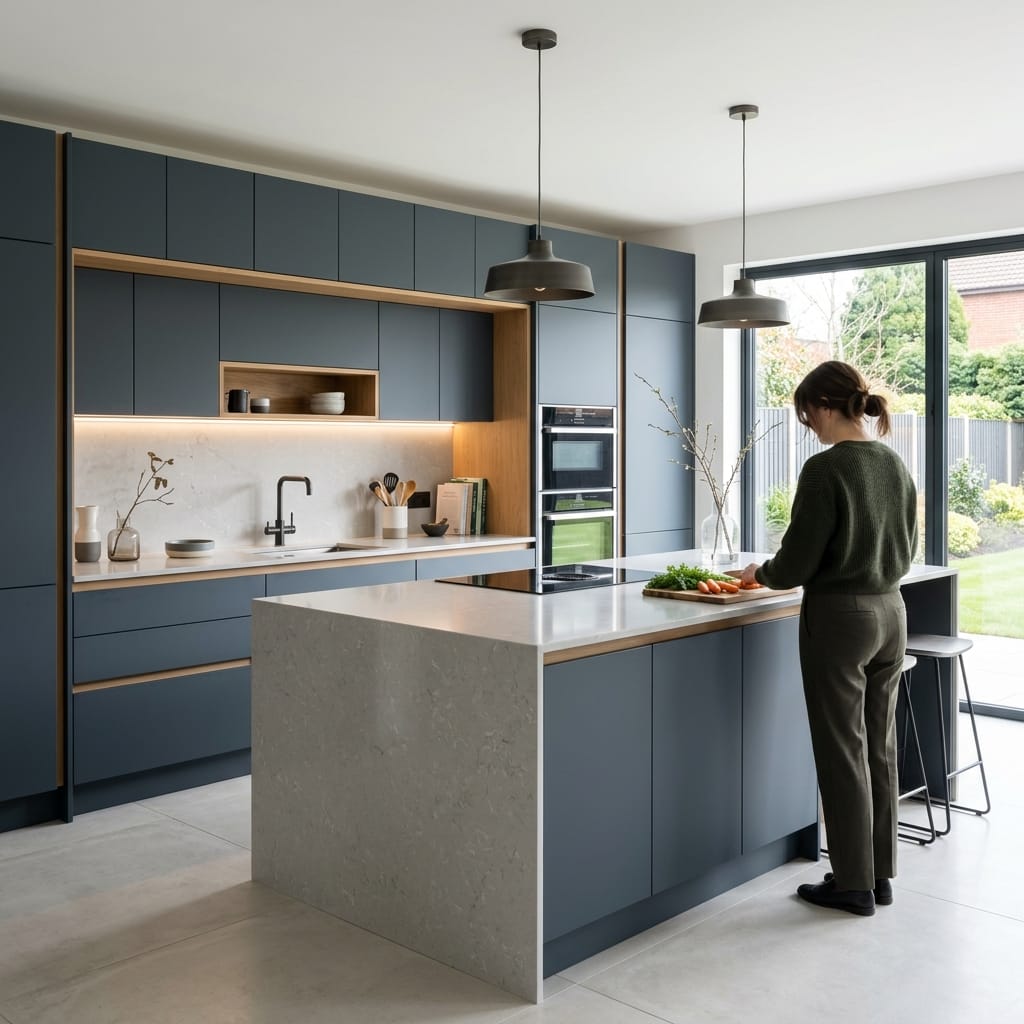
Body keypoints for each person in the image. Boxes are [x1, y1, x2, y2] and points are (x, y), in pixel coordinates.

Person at [740, 360, 918, 917]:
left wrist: (759, 573)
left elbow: (795, 562)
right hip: (891, 610)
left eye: (806, 414)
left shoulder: (825, 470)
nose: (808, 426)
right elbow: (908, 548)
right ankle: (878, 874)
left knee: (844, 751)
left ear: (821, 406)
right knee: (878, 747)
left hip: (841, 619)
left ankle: (850, 883)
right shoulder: (894, 463)